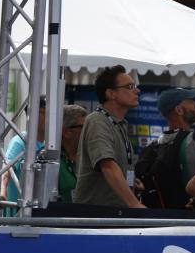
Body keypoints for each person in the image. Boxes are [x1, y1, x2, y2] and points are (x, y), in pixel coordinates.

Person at [73, 65, 145, 208]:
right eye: (130, 86)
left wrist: (129, 181)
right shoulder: (97, 121)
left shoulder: (119, 124)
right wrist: (134, 204)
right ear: (111, 93)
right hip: (97, 218)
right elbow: (108, 166)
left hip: (114, 214)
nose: (137, 90)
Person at [2, 96, 46, 213]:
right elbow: (6, 168)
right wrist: (2, 192)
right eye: (44, 113)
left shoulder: (49, 146)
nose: (50, 118)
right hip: (16, 213)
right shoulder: (20, 141)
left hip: (36, 213)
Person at [58, 104, 88, 203]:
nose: (89, 131)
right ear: (66, 132)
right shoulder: (48, 159)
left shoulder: (92, 158)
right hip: (58, 217)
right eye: (84, 127)